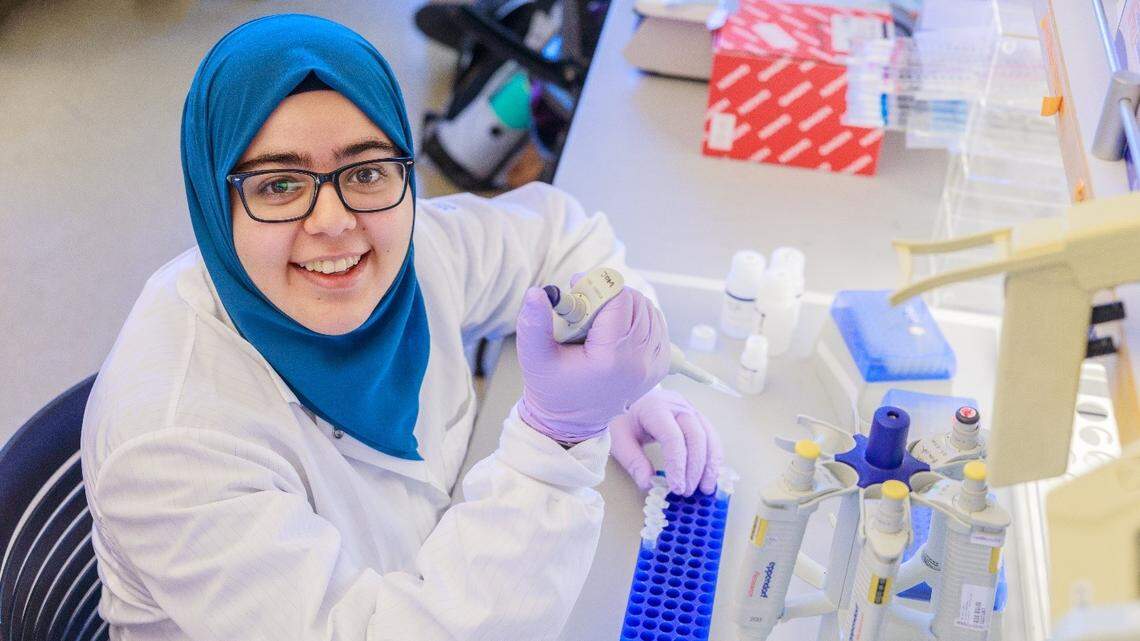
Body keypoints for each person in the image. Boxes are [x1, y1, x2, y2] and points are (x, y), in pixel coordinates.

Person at [80, 14, 722, 641]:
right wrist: (555, 442)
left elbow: (562, 234)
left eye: (364, 171)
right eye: (279, 184)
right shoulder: (172, 445)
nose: (333, 221)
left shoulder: (413, 253)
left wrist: (617, 380)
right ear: (215, 202)